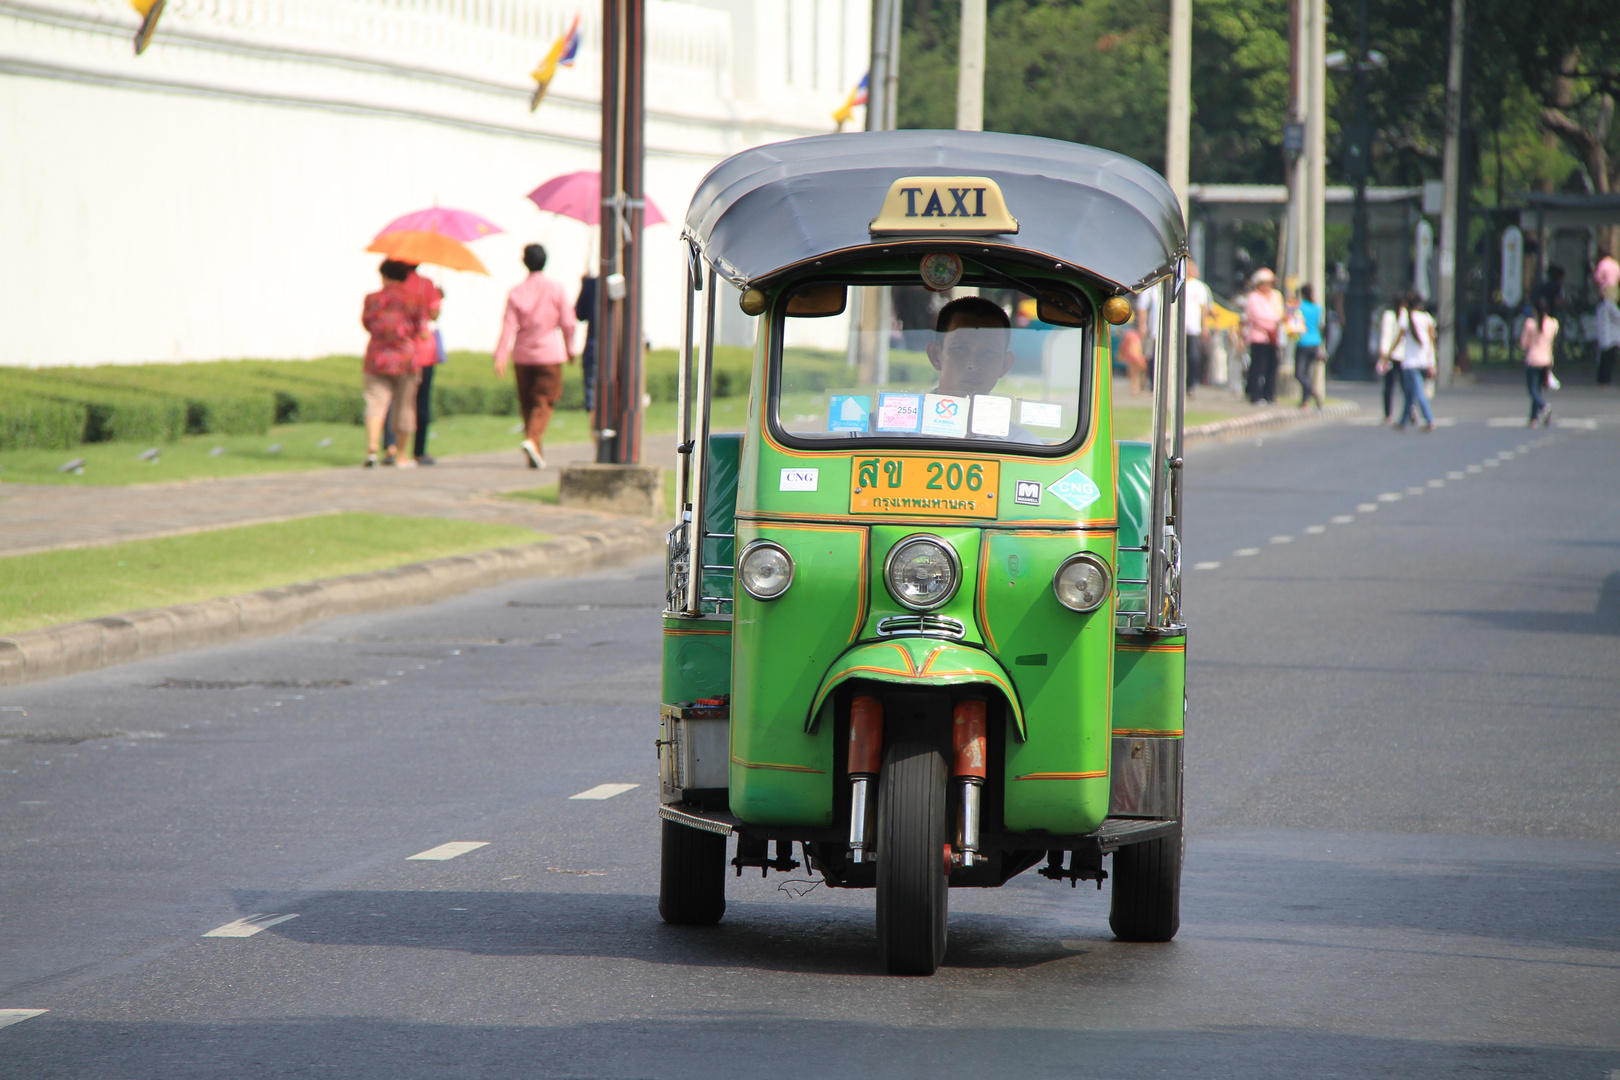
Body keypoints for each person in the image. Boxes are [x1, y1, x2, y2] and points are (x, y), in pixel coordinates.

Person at [494, 243, 577, 469]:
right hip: (549, 354)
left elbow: (508, 326)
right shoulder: (556, 289)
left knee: (528, 404)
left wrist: (500, 356)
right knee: (545, 401)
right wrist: (571, 349)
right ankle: (532, 441)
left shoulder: (516, 292)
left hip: (522, 356)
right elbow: (568, 323)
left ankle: (535, 452)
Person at [361, 259, 425, 468]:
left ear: (384, 276)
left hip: (377, 358)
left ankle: (372, 447)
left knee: (375, 404)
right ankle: (402, 455)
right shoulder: (414, 300)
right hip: (405, 360)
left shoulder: (372, 299)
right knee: (405, 407)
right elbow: (423, 331)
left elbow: (367, 324)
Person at [394, 266, 443, 464]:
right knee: (422, 402)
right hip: (423, 351)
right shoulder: (427, 284)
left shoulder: (396, 285)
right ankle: (419, 450)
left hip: (400, 349)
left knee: (398, 401)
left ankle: (392, 447)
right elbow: (434, 314)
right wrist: (439, 296)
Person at [1394, 295, 1436, 432]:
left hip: (1411, 363)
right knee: (1409, 393)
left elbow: (1398, 339)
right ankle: (1403, 421)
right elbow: (1431, 342)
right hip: (1424, 361)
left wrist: (1388, 355)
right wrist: (1432, 363)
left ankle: (1429, 420)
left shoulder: (1406, 318)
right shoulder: (1427, 318)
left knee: (1417, 393)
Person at [1241, 268, 1284, 404]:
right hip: (1259, 336)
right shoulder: (1254, 297)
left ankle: (1269, 394)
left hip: (1273, 337)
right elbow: (1257, 316)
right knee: (1258, 366)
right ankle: (1255, 394)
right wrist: (1272, 321)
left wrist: (1275, 322)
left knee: (1272, 367)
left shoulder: (1275, 296)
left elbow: (1280, 313)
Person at [1519, 296, 1559, 427]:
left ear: (1534, 310)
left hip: (1533, 360)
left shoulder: (1530, 324)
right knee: (1538, 389)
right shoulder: (1553, 324)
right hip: (1547, 360)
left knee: (1532, 390)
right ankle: (1533, 419)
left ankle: (1544, 406)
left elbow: (1524, 343)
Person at [1376, 294, 1408, 424]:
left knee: (1389, 386)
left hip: (1391, 355)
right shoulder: (1404, 315)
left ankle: (1388, 414)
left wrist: (1384, 354)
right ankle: (1410, 411)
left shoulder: (1388, 315)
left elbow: (1385, 335)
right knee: (1404, 385)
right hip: (1403, 355)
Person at [1183, 261, 1212, 397]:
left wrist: (1204, 326)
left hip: (1193, 328)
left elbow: (1204, 308)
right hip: (1179, 327)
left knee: (1194, 356)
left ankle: (1191, 384)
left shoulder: (1199, 287)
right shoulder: (1178, 283)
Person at [1293, 283, 1324, 409]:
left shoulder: (1299, 306)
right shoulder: (1318, 308)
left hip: (1303, 341)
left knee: (1299, 374)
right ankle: (1305, 401)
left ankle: (1312, 391)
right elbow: (1320, 324)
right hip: (1315, 341)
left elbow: (1292, 320)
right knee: (1307, 372)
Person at [574, 274, 599, 412]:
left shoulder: (591, 284)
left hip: (594, 347)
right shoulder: (627, 281)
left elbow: (580, 313)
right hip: (619, 349)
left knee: (592, 399)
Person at [1596, 287, 1620, 388]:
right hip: (1611, 337)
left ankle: (1601, 379)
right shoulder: (1610, 306)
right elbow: (1618, 317)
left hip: (1603, 336)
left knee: (1603, 359)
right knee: (1608, 360)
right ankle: (1606, 379)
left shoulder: (1601, 306)